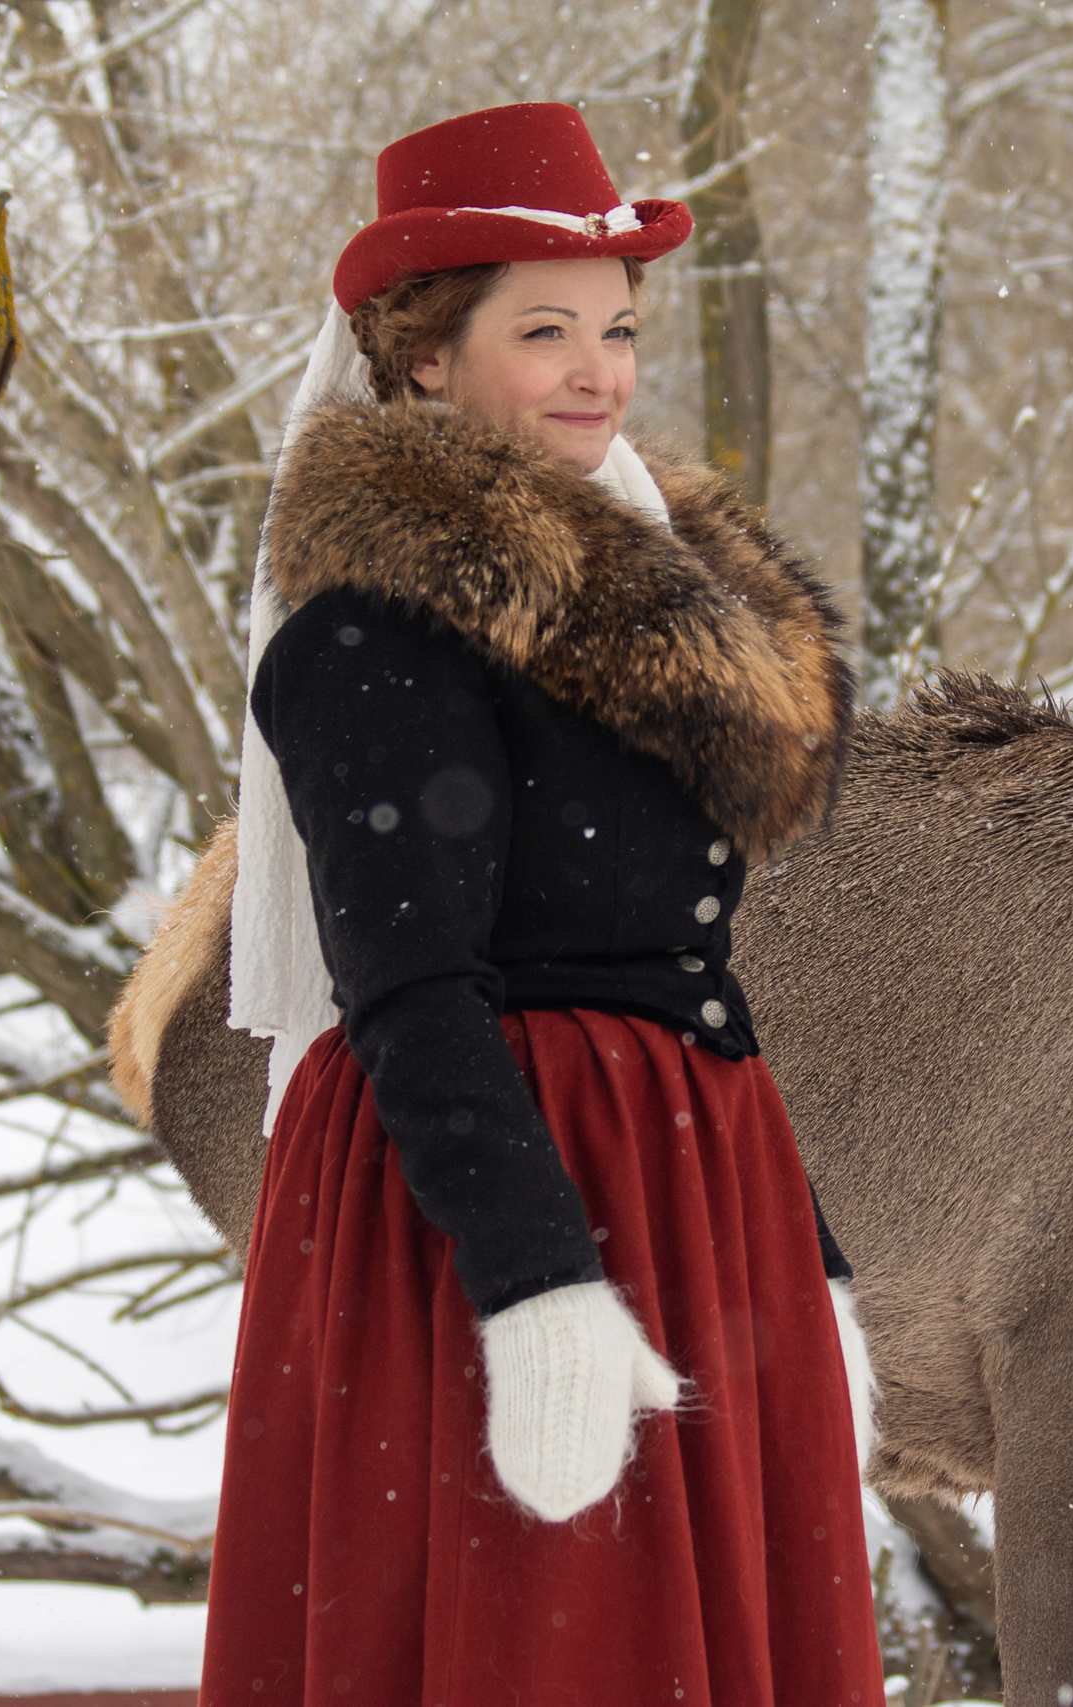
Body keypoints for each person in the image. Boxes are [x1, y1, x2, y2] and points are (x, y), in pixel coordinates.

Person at [198, 103, 883, 1704]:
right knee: (552, 1650)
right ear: (427, 355)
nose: (600, 369)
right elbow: (412, 988)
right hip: (491, 1196)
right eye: (546, 329)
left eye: (620, 330)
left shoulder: (642, 595)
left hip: (691, 1180)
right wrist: (537, 1285)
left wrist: (811, 1258)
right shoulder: (375, 632)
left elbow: (680, 963)